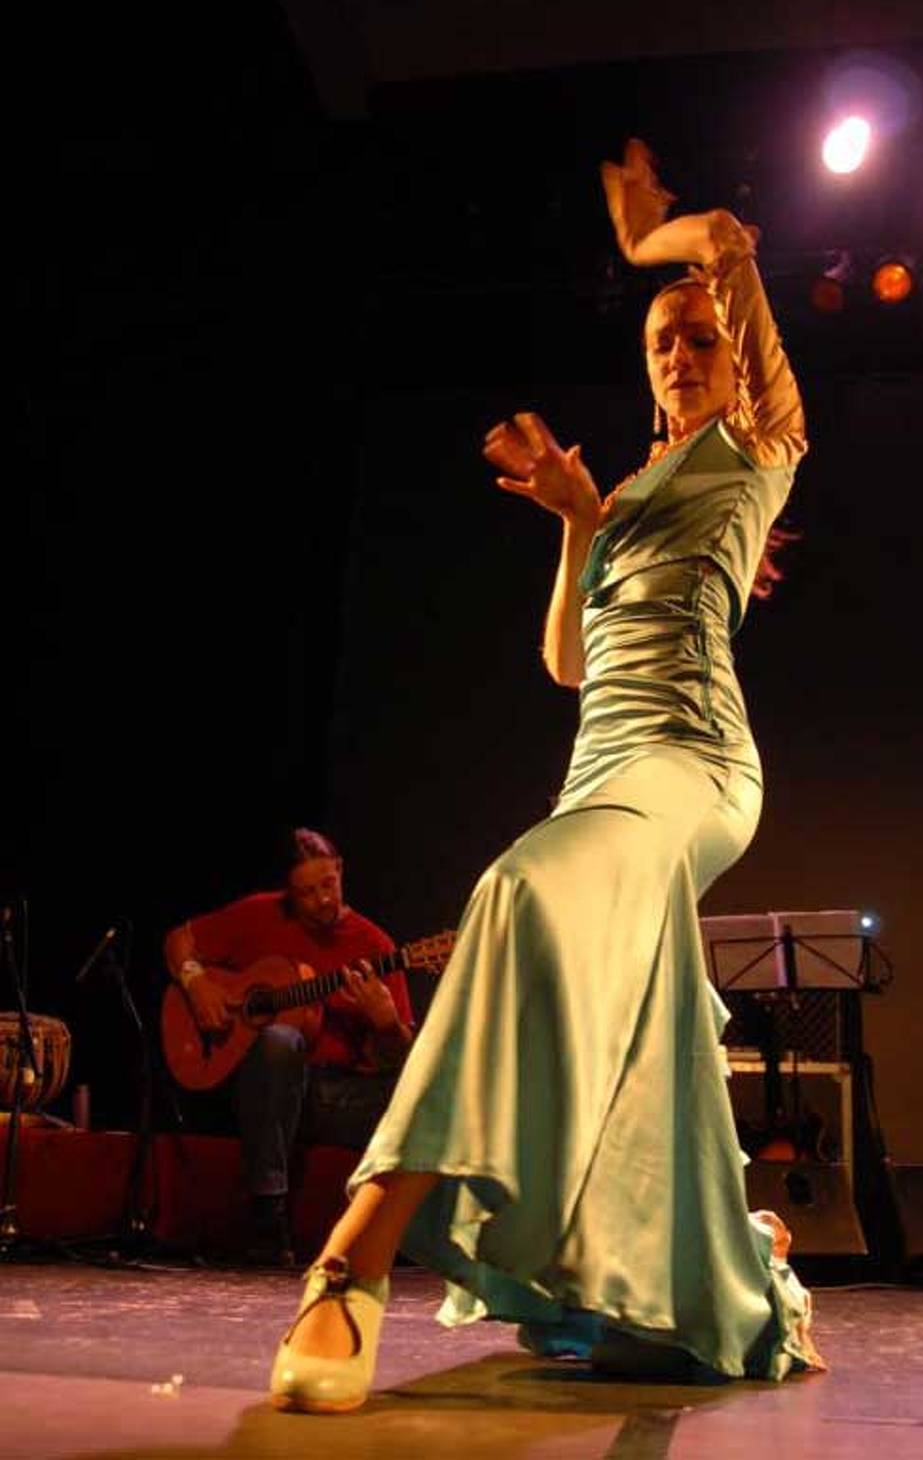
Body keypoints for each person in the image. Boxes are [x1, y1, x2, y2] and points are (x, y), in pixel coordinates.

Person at [268, 140, 824, 1411]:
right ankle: (730, 1260)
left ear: (736, 357)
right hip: (601, 766)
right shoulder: (624, 490)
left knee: (514, 891)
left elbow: (726, 242)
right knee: (618, 1010)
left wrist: (649, 243)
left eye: (700, 338)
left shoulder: (757, 449)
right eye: (661, 343)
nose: (680, 354)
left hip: (691, 761)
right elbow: (568, 661)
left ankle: (350, 1262)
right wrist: (580, 520)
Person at [164, 827, 414, 1264]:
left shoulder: (374, 946)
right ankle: (268, 1221)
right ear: (287, 893)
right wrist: (195, 981)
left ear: (340, 870)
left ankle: (411, 1237)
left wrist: (388, 1024)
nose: (322, 900)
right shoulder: (259, 914)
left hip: (332, 1096)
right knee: (279, 1041)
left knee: (422, 1093)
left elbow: (399, 1059)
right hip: (257, 1085)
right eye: (307, 893)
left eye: (328, 884)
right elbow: (178, 940)